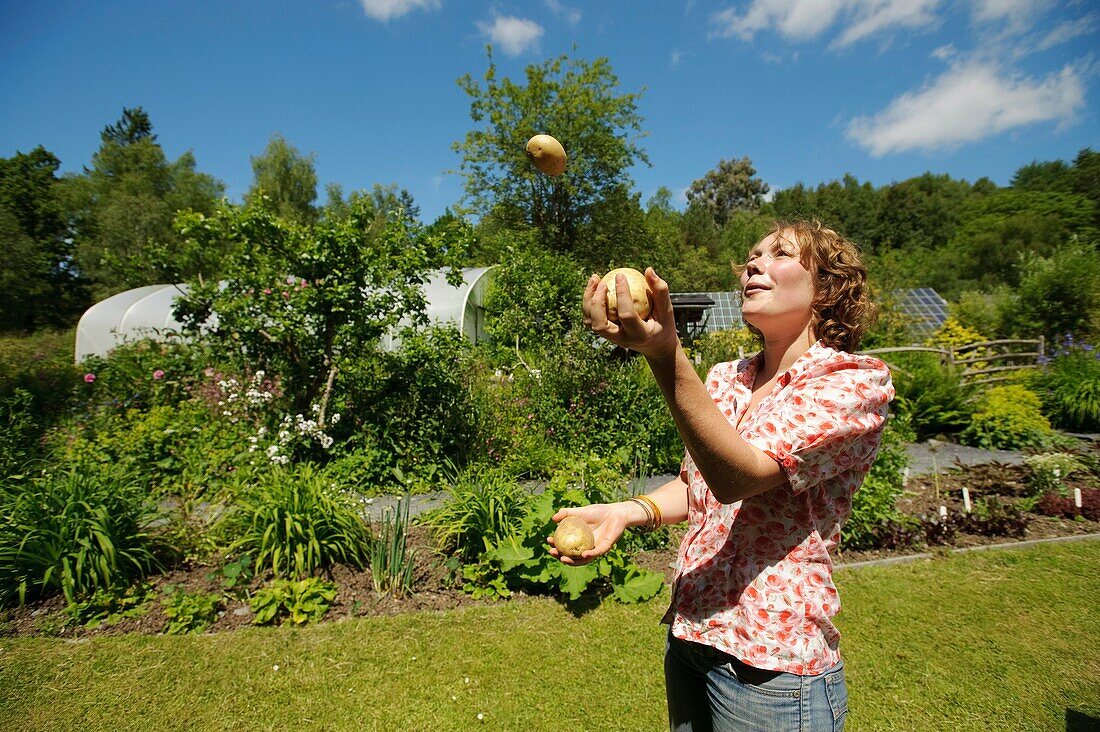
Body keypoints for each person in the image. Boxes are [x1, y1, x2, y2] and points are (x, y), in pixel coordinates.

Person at [548, 219, 894, 731]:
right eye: (752, 255)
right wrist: (626, 511)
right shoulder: (726, 379)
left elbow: (740, 477)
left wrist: (665, 356)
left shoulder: (853, 382)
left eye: (779, 254)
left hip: (771, 666)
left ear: (826, 287)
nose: (754, 262)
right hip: (692, 637)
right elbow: (699, 488)